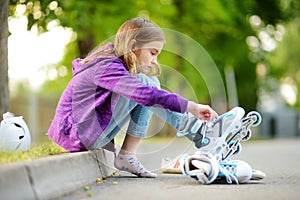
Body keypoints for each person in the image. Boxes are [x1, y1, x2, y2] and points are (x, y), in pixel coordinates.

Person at [47, 17, 218, 178]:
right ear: (133, 45)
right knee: (145, 86)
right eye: (152, 53)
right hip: (77, 134)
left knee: (149, 83)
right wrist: (192, 107)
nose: (154, 60)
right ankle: (192, 129)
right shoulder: (106, 65)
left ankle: (127, 156)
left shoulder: (114, 64)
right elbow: (145, 93)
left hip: (84, 132)